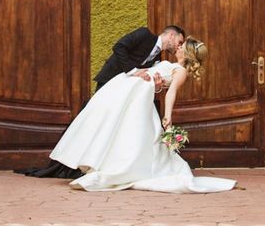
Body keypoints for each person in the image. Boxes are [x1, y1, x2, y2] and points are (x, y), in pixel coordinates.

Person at [49, 37, 236, 193]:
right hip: (130, 88)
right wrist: (156, 85)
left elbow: (171, 93)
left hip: (136, 94)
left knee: (132, 132)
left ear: (187, 53)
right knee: (111, 124)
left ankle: (118, 167)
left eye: (181, 46)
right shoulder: (171, 65)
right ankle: (101, 161)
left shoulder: (181, 71)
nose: (177, 47)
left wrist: (167, 116)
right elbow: (160, 87)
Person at [16, 25, 185, 179]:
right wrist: (134, 71)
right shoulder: (144, 34)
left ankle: (95, 163)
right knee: (92, 121)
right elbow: (119, 47)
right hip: (109, 83)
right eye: (179, 41)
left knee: (109, 126)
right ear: (170, 35)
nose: (179, 45)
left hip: (123, 94)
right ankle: (66, 164)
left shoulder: (158, 57)